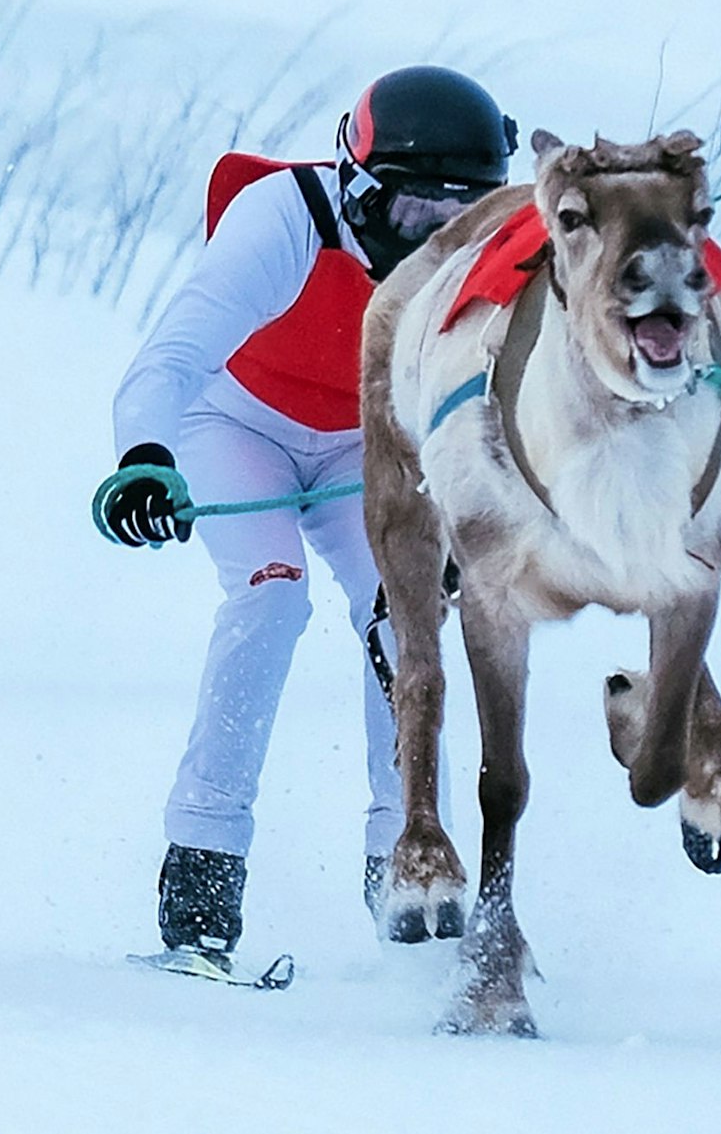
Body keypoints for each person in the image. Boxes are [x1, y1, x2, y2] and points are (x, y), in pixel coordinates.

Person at [94, 65, 521, 968]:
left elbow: (484, 401)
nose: (433, 240)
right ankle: (202, 876)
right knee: (271, 596)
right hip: (234, 422)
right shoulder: (284, 218)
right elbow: (170, 357)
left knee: (408, 624)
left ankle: (406, 871)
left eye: (459, 216)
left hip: (361, 450)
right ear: (358, 187)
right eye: (412, 214)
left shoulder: (474, 264)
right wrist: (144, 456)